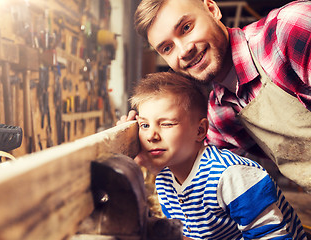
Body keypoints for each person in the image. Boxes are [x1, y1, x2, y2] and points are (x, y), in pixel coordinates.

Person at [127, 0, 311, 192]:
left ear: (212, 9)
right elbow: (200, 180)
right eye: (167, 48)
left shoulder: (289, 30)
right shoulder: (219, 114)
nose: (183, 51)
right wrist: (146, 150)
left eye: (186, 27)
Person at [130, 71, 307, 239]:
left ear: (200, 131)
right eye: (144, 125)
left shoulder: (231, 176)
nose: (151, 135)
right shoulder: (164, 179)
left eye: (167, 124)